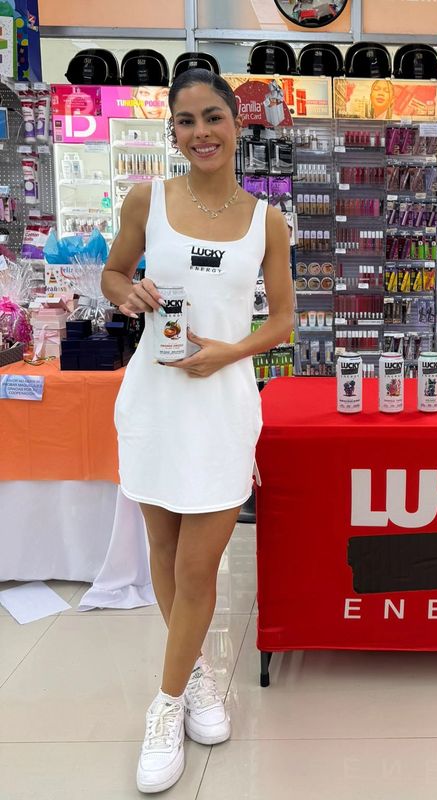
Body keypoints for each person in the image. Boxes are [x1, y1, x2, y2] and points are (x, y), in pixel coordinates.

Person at [101, 69, 293, 794]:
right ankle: (198, 675)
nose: (201, 133)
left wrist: (230, 352)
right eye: (186, 121)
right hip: (154, 401)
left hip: (221, 406)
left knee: (196, 569)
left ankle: (165, 702)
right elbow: (113, 275)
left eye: (213, 117)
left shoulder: (266, 220)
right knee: (163, 549)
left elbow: (283, 320)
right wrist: (129, 293)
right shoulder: (146, 199)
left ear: (238, 124)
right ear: (173, 132)